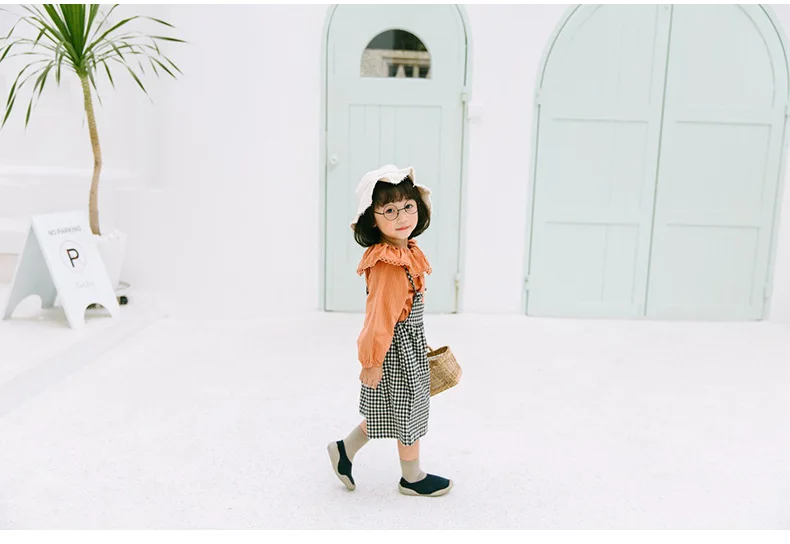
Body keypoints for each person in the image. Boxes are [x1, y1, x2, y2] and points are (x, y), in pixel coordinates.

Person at [327, 165, 453, 497]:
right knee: (408, 410)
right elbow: (379, 318)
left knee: (387, 410)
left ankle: (344, 449)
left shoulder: (404, 252)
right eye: (390, 211)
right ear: (373, 219)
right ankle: (411, 477)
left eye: (408, 206)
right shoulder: (389, 265)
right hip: (393, 352)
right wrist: (371, 361)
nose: (402, 217)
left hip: (405, 346)